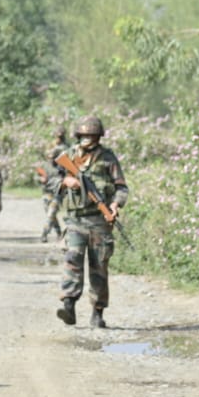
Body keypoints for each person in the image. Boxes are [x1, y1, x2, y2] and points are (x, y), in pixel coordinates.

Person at [48, 115, 128, 328]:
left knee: (99, 267)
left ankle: (97, 312)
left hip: (99, 222)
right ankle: (68, 305)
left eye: (92, 135)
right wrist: (66, 181)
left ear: (98, 137)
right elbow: (52, 180)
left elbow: (121, 187)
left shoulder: (108, 158)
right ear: (78, 135)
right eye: (84, 135)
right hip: (75, 220)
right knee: (72, 260)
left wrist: (115, 205)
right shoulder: (69, 155)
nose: (88, 139)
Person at [40, 126, 67, 242]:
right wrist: (40, 179)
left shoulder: (63, 164)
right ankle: (59, 232)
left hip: (57, 192)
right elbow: (38, 175)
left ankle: (44, 233)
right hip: (46, 192)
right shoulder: (45, 165)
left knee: (51, 213)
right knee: (51, 214)